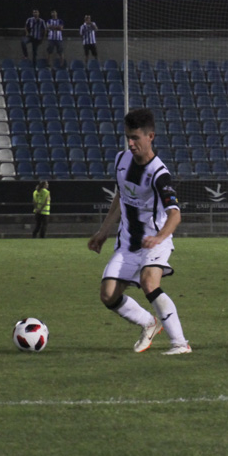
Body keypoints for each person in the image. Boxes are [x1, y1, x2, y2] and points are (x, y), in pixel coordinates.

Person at [88, 108, 191, 355]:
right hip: (127, 243)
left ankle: (180, 344)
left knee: (148, 282)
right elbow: (120, 197)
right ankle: (149, 323)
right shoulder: (121, 160)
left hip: (155, 242)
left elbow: (175, 214)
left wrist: (159, 237)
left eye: (135, 138)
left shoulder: (159, 174)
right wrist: (103, 231)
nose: (131, 144)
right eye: (128, 138)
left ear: (150, 137)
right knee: (108, 295)